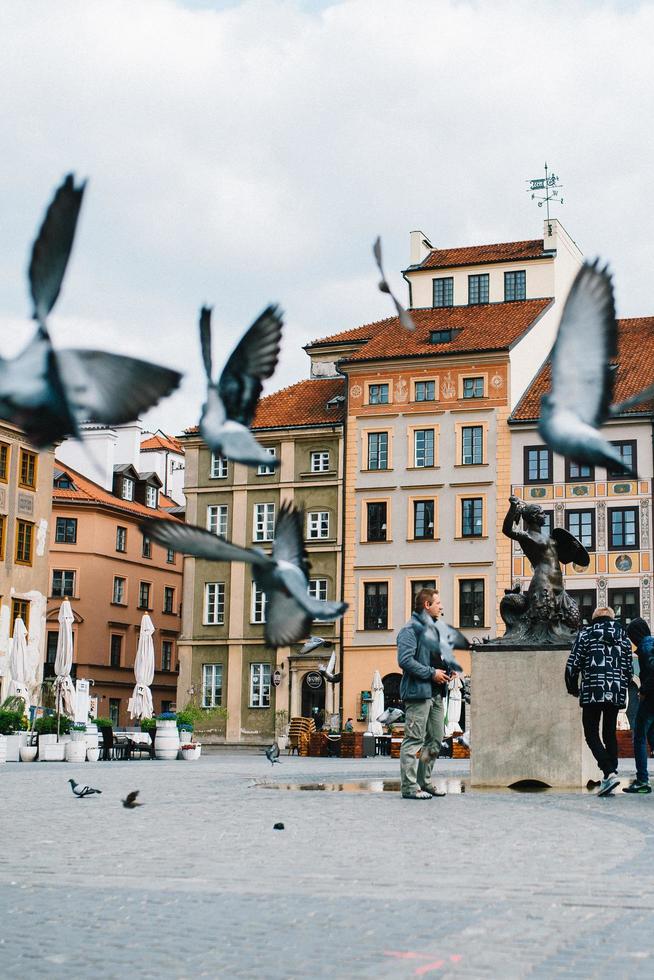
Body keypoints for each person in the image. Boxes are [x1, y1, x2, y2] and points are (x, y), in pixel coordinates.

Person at [565, 606, 633, 796]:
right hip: (615, 691)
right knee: (609, 733)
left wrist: (573, 688)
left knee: (591, 733)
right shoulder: (623, 636)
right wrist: (621, 685)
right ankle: (609, 776)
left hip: (592, 691)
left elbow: (573, 664)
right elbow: (629, 670)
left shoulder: (585, 634)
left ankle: (609, 772)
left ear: (594, 619)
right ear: (612, 618)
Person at [397, 587, 450, 799]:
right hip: (418, 694)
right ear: (427, 606)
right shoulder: (410, 630)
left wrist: (447, 670)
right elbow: (405, 660)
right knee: (413, 740)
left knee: (435, 741)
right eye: (438, 603)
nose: (441, 606)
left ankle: (424, 781)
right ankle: (409, 787)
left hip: (436, 693)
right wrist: (431, 673)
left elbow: (434, 659)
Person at [623, 618, 654, 794]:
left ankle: (642, 780)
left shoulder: (645, 647)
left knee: (639, 736)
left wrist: (643, 690)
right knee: (651, 734)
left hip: (651, 698)